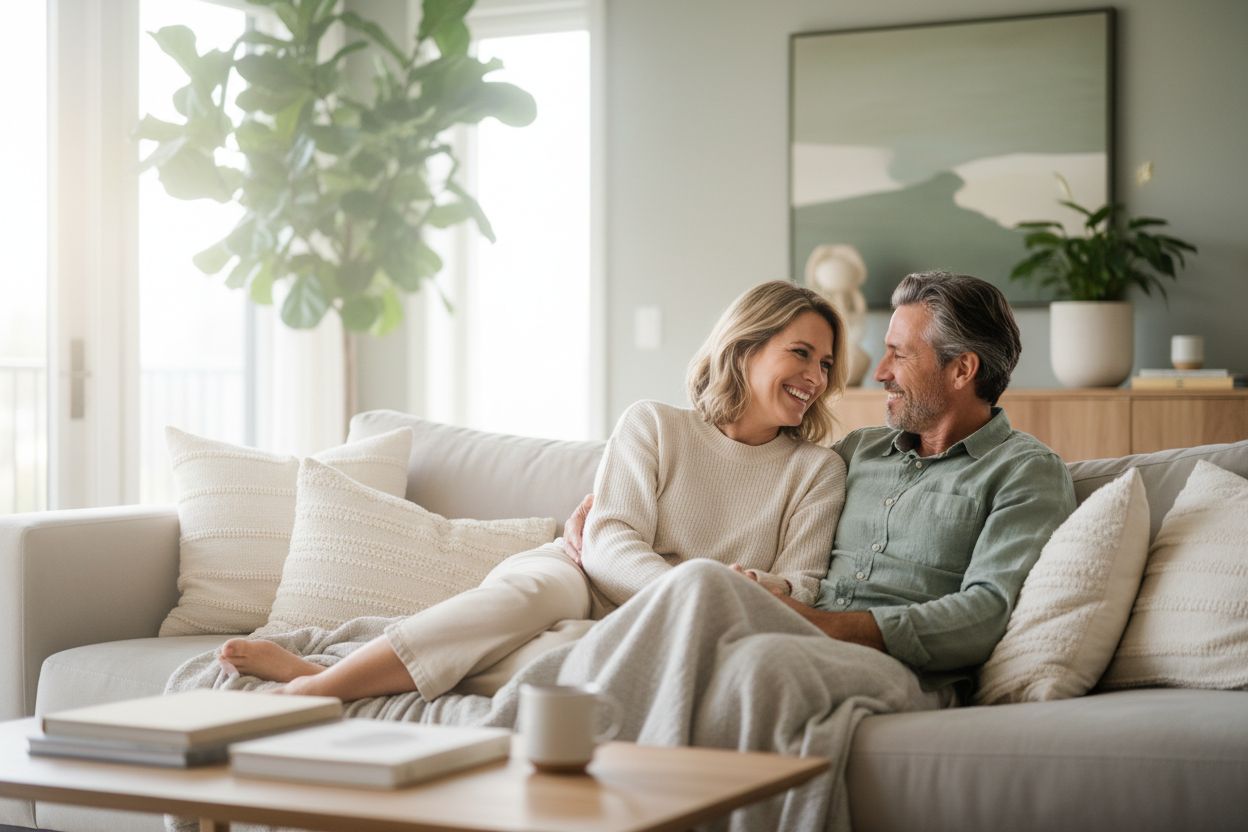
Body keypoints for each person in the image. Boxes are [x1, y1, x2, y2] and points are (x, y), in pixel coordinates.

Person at [216, 280, 851, 702]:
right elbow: (608, 542)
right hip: (582, 577)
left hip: (684, 621)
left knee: (573, 660)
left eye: (825, 364)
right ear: (745, 347)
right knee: (525, 598)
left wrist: (748, 587)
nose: (816, 377)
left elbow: (801, 587)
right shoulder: (654, 424)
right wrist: (692, 588)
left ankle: (334, 670)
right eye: (801, 353)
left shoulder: (816, 471)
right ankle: (319, 689)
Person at [565, 271, 1077, 700]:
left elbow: (985, 613)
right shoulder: (857, 453)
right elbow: (762, 484)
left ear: (962, 369)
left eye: (899, 355)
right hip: (790, 637)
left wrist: (820, 624)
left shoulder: (1025, 472)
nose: (878, 373)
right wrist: (601, 517)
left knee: (749, 667)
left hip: (887, 664)